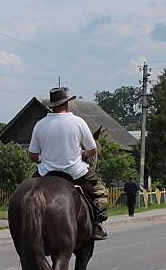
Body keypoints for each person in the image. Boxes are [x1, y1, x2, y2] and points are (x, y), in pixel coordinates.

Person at [28, 87, 109, 240]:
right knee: (100, 190)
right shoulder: (78, 122)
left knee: (27, 192)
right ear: (66, 104)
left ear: (51, 106)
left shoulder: (40, 125)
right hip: (75, 172)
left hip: (46, 173)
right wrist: (82, 153)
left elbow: (32, 155)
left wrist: (41, 160)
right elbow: (92, 150)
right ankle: (98, 225)